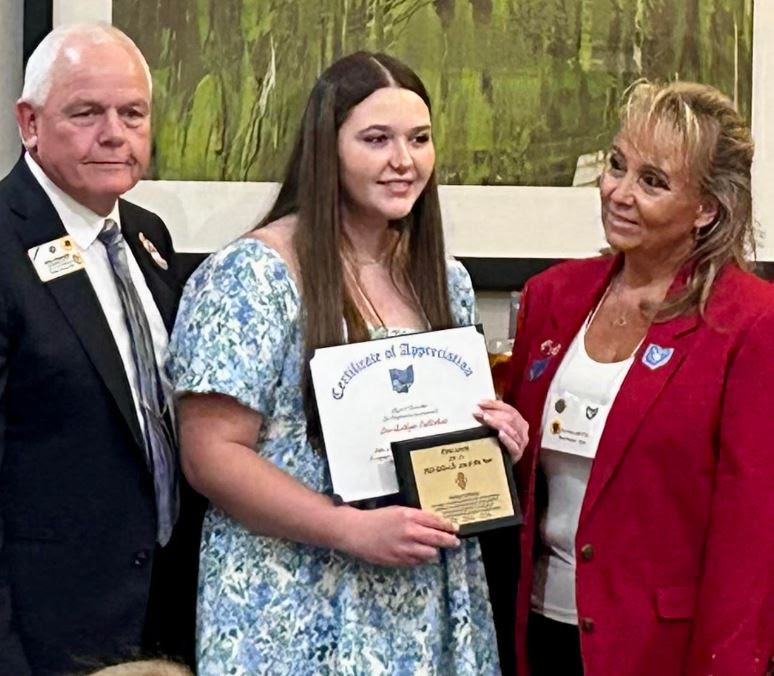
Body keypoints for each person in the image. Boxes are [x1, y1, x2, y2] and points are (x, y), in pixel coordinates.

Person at [168, 51, 528, 674]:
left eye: (419, 139)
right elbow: (210, 455)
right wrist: (349, 530)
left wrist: (494, 439)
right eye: (376, 140)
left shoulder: (444, 279)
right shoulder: (252, 275)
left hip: (421, 589)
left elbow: (442, 442)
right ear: (325, 149)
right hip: (291, 591)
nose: (404, 161)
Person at [502, 81, 774, 675]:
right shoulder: (551, 297)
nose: (619, 193)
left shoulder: (751, 323)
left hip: (657, 650)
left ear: (706, 208)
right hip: (538, 633)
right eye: (616, 166)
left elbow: (749, 543)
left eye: (652, 181)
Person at [0, 24, 201, 673]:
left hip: (162, 610)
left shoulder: (148, 237)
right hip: (46, 631)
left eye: (132, 113)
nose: (114, 133)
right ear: (29, 123)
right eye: (87, 113)